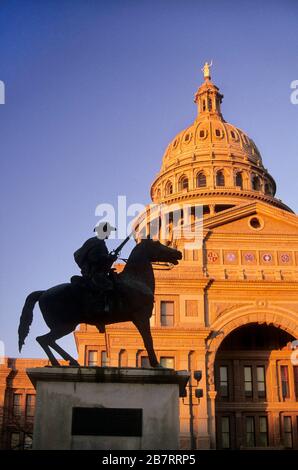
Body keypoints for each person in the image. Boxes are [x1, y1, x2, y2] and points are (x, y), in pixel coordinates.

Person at [71, 222, 117, 312]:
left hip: (97, 271)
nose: (109, 234)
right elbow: (93, 258)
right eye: (108, 231)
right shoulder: (96, 242)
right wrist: (108, 257)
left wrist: (110, 260)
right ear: (104, 231)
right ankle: (104, 306)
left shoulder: (100, 242)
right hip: (92, 272)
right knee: (109, 285)